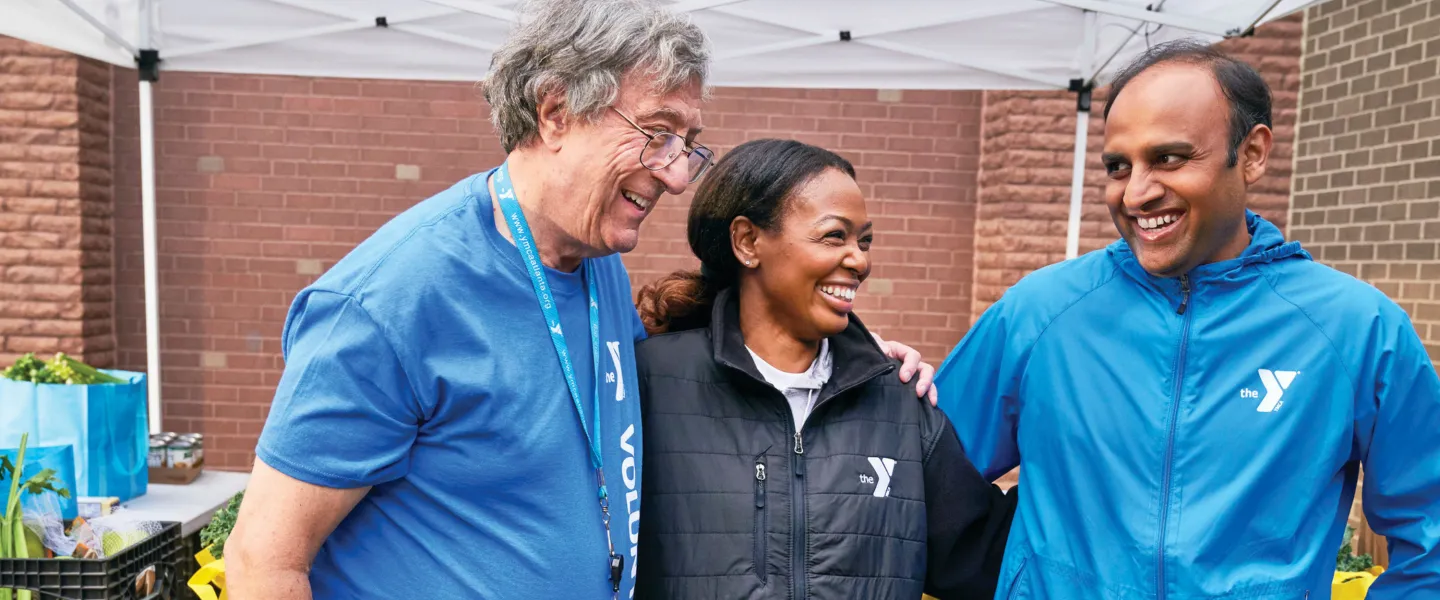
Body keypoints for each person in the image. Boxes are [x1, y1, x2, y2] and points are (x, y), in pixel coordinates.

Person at [223, 1, 936, 598]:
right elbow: (262, 561)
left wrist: (848, 360)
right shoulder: (390, 301)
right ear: (556, 111)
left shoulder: (593, 266)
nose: (677, 176)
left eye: (687, 145)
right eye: (657, 134)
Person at [934, 39, 1440, 599]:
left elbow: (1430, 541)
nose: (1137, 193)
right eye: (1118, 167)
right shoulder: (1039, 312)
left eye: (1169, 158)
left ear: (1251, 154)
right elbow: (912, 477)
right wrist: (861, 375)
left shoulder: (1359, 330)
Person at [631, 139, 1017, 599]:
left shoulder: (900, 403)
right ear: (748, 241)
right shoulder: (650, 385)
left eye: (865, 240)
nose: (859, 260)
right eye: (835, 236)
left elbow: (992, 562)